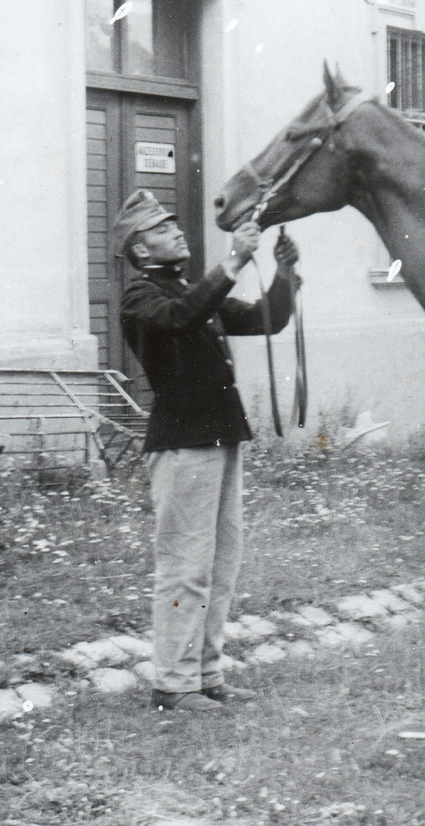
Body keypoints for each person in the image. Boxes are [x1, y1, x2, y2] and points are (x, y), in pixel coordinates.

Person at [111, 190, 298, 713]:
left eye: (176, 225)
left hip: (219, 437)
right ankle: (173, 683)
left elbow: (268, 319)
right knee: (184, 567)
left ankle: (205, 675)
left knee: (220, 564)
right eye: (163, 230)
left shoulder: (192, 291)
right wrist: (234, 259)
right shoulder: (142, 299)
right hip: (183, 445)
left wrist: (284, 273)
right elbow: (182, 318)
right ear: (141, 252)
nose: (178, 233)